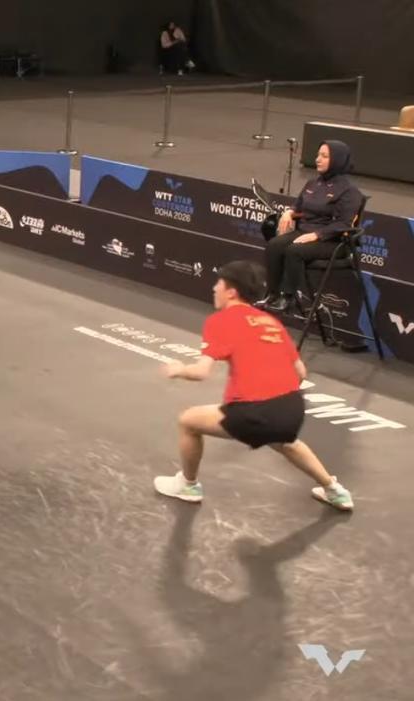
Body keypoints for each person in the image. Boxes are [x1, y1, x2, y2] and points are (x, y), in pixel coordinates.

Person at [154, 260, 353, 511]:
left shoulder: (220, 320)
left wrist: (178, 369)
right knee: (284, 441)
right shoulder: (271, 322)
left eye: (218, 284)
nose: (214, 288)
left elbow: (201, 372)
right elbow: (300, 372)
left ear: (231, 292)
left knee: (188, 422)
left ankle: (188, 485)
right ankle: (335, 490)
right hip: (292, 409)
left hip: (253, 411)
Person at [260, 140, 363, 312]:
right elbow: (298, 206)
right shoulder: (312, 183)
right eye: (318, 155)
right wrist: (289, 212)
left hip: (333, 241)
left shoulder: (350, 191)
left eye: (324, 156)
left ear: (337, 160)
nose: (317, 159)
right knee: (274, 245)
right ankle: (272, 294)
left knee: (294, 250)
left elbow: (344, 223)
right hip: (305, 232)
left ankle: (288, 298)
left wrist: (317, 235)